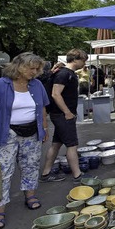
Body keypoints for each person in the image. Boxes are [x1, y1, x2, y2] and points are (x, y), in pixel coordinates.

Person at [0, 53, 50, 229]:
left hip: (32, 131)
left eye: (37, 69)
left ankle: (30, 196)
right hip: (6, 132)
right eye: (31, 68)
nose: (34, 72)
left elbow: (41, 107)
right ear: (18, 66)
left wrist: (44, 127)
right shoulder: (0, 85)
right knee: (3, 171)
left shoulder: (37, 84)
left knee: (31, 165)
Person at [40, 49, 88, 183]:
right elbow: (56, 94)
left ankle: (46, 173)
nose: (84, 63)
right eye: (83, 60)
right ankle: (78, 176)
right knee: (72, 145)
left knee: (56, 144)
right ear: (76, 59)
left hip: (60, 114)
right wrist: (67, 112)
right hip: (62, 115)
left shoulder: (67, 73)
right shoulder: (64, 74)